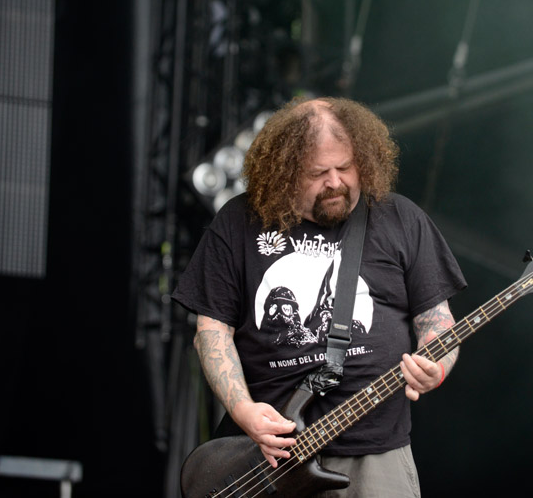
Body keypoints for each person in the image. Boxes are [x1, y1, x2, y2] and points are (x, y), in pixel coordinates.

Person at [173, 96, 467, 497]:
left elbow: (436, 319)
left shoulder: (400, 219)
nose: (335, 181)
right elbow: (211, 331)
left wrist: (437, 363)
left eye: (345, 167)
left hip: (374, 454)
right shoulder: (238, 223)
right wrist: (243, 411)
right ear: (284, 172)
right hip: (267, 460)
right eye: (318, 172)